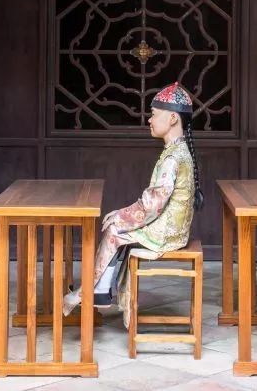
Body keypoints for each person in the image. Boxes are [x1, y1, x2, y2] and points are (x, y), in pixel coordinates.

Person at [63, 81, 203, 326]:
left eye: (154, 114)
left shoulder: (173, 157)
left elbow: (152, 205)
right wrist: (123, 214)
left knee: (114, 229)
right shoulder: (178, 151)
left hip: (167, 232)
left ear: (172, 118)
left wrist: (120, 215)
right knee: (118, 227)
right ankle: (99, 289)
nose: (150, 120)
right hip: (175, 228)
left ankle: (93, 291)